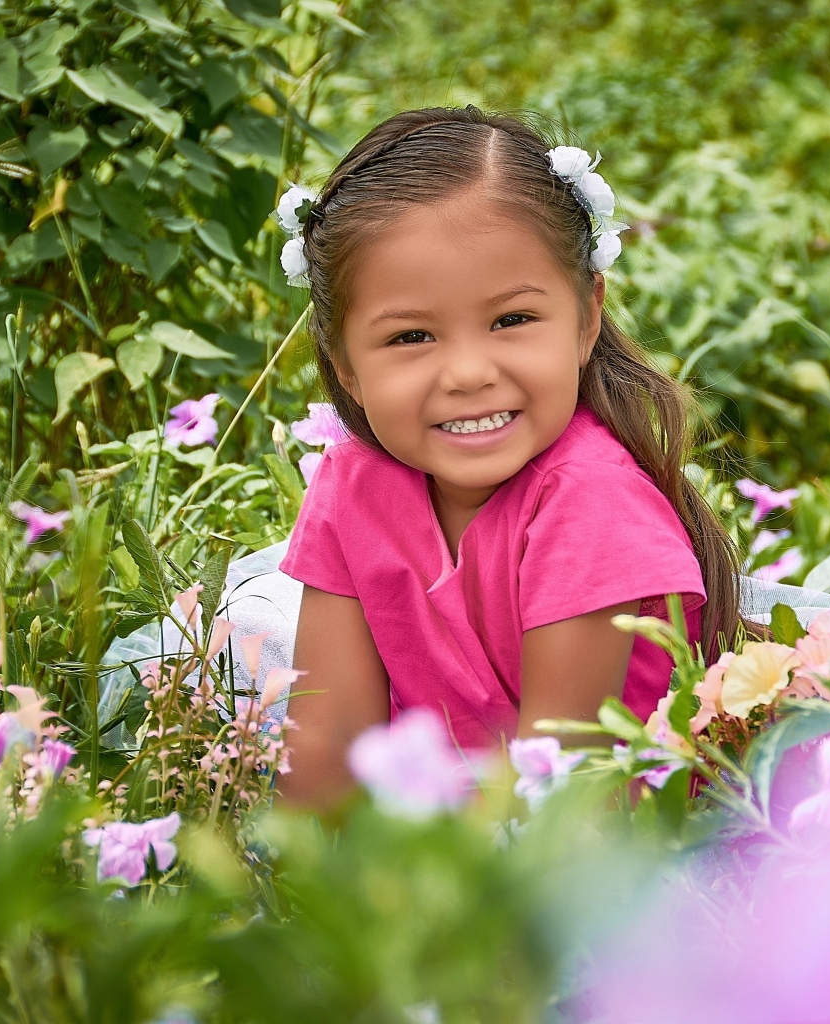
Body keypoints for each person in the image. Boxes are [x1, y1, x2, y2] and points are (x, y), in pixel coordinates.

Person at [275, 106, 748, 808]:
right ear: (344, 361)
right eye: (411, 337)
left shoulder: (589, 499)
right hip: (441, 843)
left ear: (587, 316)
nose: (469, 373)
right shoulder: (354, 486)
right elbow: (324, 765)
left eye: (512, 320)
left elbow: (561, 799)